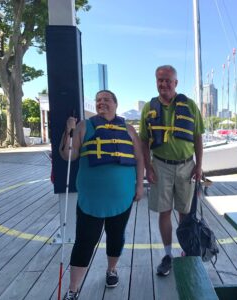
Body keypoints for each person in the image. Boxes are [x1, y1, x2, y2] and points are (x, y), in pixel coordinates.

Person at [59, 90, 144, 300]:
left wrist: (140, 186)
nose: (101, 103)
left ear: (116, 103)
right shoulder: (83, 126)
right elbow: (68, 155)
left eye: (106, 99)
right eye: (98, 100)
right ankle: (73, 289)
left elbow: (140, 158)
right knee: (84, 241)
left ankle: (111, 270)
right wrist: (67, 130)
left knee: (116, 236)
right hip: (91, 198)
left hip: (122, 197)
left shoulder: (129, 129)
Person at [139, 65, 204, 276]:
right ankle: (167, 255)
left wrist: (199, 165)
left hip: (186, 166)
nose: (164, 84)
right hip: (160, 165)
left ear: (176, 83)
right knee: (164, 211)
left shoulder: (190, 106)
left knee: (185, 212)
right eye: (160, 80)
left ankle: (186, 252)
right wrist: (147, 166)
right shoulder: (148, 108)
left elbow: (197, 137)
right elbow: (143, 141)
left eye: (168, 80)